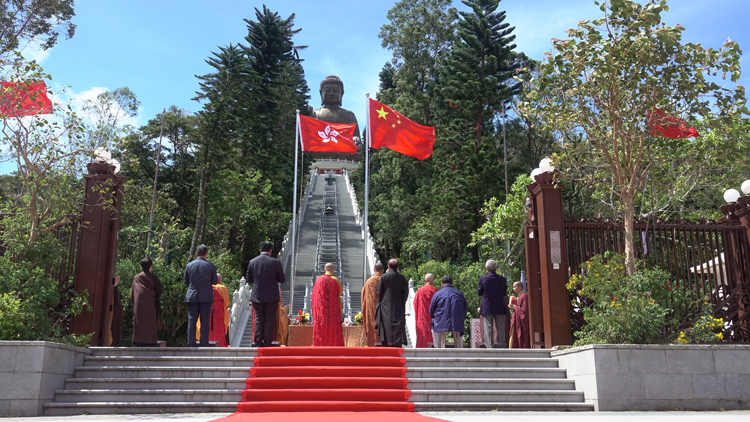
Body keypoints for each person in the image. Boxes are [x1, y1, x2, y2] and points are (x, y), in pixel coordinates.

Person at [246, 241, 285, 348]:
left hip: (257, 295)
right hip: (271, 295)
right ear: (271, 250)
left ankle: (258, 341)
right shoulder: (275, 262)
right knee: (270, 319)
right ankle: (267, 342)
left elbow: (249, 280)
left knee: (259, 318)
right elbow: (282, 279)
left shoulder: (252, 262)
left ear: (260, 250)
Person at [184, 245, 218, 347]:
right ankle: (204, 342)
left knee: (192, 320)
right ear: (206, 254)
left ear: (196, 254)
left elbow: (186, 282)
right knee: (205, 321)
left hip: (192, 295)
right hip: (206, 296)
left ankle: (191, 342)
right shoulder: (210, 266)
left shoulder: (189, 265)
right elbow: (215, 282)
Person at [312, 75, 361, 140]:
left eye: (335, 91)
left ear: (342, 94)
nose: (331, 93)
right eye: (327, 90)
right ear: (321, 93)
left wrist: (356, 140)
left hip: (341, 148)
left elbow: (356, 136)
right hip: (320, 148)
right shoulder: (314, 113)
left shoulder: (349, 115)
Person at [375, 258, 409, 347]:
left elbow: (379, 291)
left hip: (386, 306)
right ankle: (397, 343)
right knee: (397, 325)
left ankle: (386, 343)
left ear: (388, 266)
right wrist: (401, 302)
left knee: (386, 325)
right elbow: (405, 293)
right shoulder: (402, 278)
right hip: (398, 306)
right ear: (397, 267)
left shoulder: (384, 277)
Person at [478, 259, 509, 348]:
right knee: (501, 327)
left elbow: (480, 292)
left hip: (487, 306)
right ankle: (501, 345)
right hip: (499, 305)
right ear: (496, 268)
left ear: (487, 269)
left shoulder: (483, 279)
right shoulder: (502, 279)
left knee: (488, 327)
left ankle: (490, 347)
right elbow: (504, 293)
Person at [430, 275, 467, 348]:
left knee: (434, 323)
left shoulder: (437, 294)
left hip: (440, 322)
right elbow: (464, 309)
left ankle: (437, 346)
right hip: (457, 321)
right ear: (452, 284)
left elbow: (431, 310)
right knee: (459, 326)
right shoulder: (459, 294)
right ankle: (459, 347)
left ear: (442, 284)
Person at [132, 258, 162, 347]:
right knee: (150, 322)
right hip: (151, 306)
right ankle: (150, 340)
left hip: (139, 306)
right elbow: (159, 291)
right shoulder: (153, 278)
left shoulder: (137, 278)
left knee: (139, 322)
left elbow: (134, 292)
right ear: (150, 267)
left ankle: (138, 340)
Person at [311, 262, 344, 346]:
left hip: (321, 312)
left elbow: (314, 296)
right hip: (333, 311)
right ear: (333, 270)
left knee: (321, 330)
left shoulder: (318, 280)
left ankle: (319, 347)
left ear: (325, 269)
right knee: (334, 330)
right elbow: (339, 292)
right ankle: (335, 348)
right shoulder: (336, 280)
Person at [197, 274, 231, 347]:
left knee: (207, 327)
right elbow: (227, 302)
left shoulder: (205, 287)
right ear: (217, 279)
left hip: (207, 310)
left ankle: (206, 343)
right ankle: (220, 345)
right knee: (219, 329)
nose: (221, 279)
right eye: (220, 278)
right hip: (219, 311)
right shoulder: (222, 288)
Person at [361, 262, 384, 347]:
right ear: (383, 270)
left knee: (371, 328)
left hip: (371, 311)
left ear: (374, 270)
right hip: (383, 312)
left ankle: (371, 347)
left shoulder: (369, 281)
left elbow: (363, 296)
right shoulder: (385, 280)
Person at [413, 273, 437, 348]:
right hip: (433, 318)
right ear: (433, 280)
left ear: (425, 281)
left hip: (422, 317)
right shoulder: (435, 290)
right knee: (432, 336)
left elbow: (414, 304)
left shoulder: (420, 290)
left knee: (422, 336)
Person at [509, 281, 530, 349]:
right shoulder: (519, 296)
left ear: (520, 287)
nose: (513, 288)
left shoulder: (523, 296)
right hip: (516, 320)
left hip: (521, 321)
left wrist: (515, 307)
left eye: (514, 287)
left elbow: (524, 311)